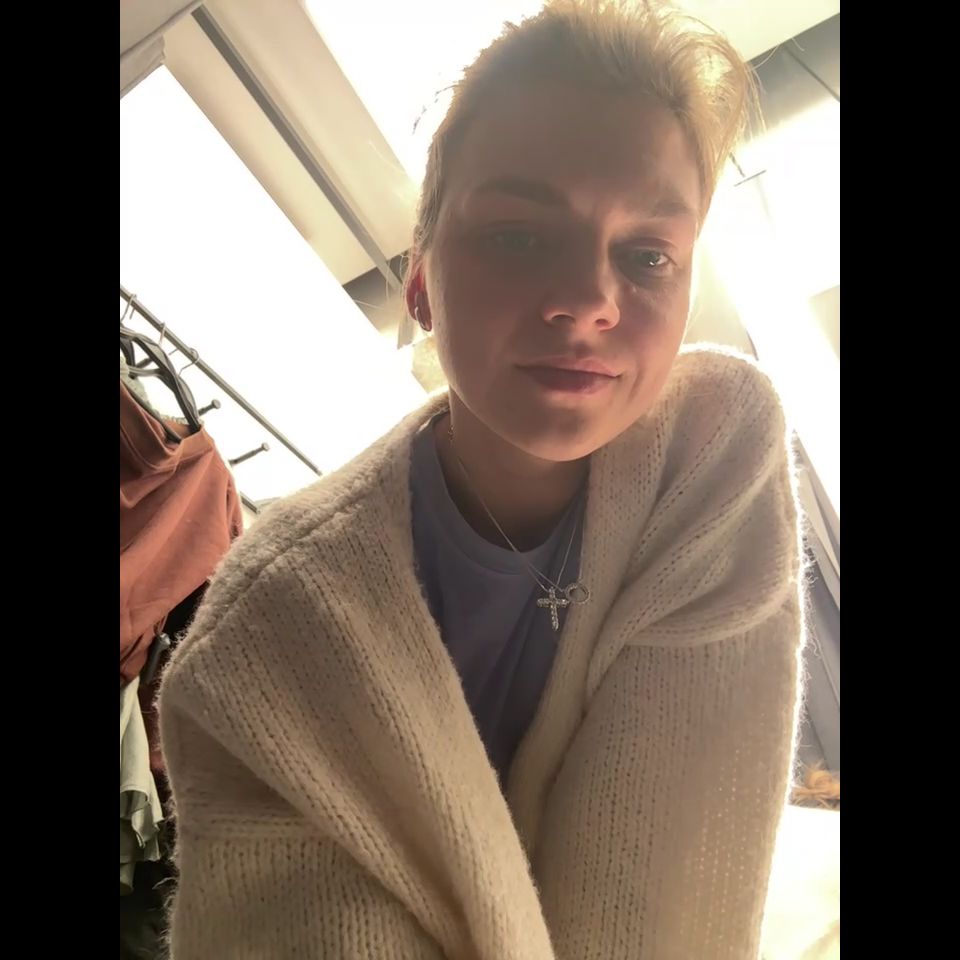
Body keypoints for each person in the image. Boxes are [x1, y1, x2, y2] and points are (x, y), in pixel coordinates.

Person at [158, 2, 805, 957]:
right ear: (420, 284)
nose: (587, 300)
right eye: (516, 236)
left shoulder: (712, 452)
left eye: (647, 255)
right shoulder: (268, 632)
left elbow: (670, 905)